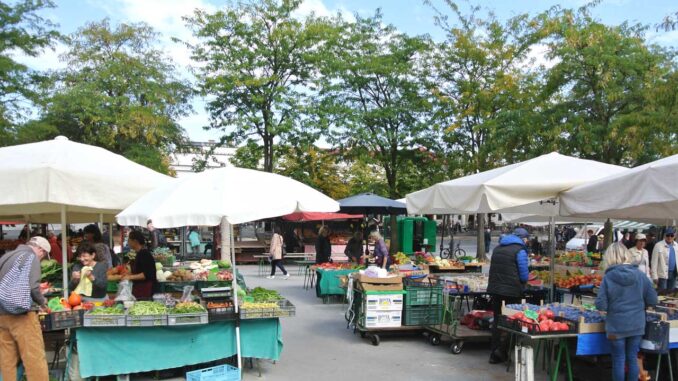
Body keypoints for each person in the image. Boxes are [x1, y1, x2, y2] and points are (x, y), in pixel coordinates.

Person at [596, 242, 657, 381]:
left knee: (618, 359)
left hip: (616, 326)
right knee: (632, 357)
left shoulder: (608, 277)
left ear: (609, 257)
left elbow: (601, 305)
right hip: (636, 324)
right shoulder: (641, 275)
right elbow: (653, 299)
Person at [0, 236, 50, 381]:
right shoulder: (31, 256)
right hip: (22, 316)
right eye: (44, 256)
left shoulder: (6, 256)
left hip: (2, 315)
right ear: (40, 250)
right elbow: (34, 288)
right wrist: (43, 303)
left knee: (7, 360)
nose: (41, 259)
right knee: (34, 358)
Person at [487, 227, 530, 364]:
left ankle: (494, 353)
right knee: (514, 321)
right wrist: (524, 282)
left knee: (498, 320)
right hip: (512, 291)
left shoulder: (498, 248)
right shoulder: (520, 250)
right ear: (523, 238)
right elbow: (524, 274)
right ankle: (503, 350)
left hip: (495, 289)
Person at [122, 230, 157, 299]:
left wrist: (130, 277)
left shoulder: (144, 254)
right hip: (140, 288)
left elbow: (146, 274)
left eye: (129, 240)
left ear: (135, 241)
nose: (128, 242)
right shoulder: (139, 253)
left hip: (145, 289)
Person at [651, 227, 678, 291]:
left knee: (671, 293)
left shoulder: (676, 245)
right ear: (665, 235)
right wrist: (654, 276)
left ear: (674, 236)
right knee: (662, 294)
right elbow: (654, 262)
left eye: (671, 235)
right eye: (668, 235)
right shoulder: (658, 245)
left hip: (674, 274)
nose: (670, 237)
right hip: (662, 274)